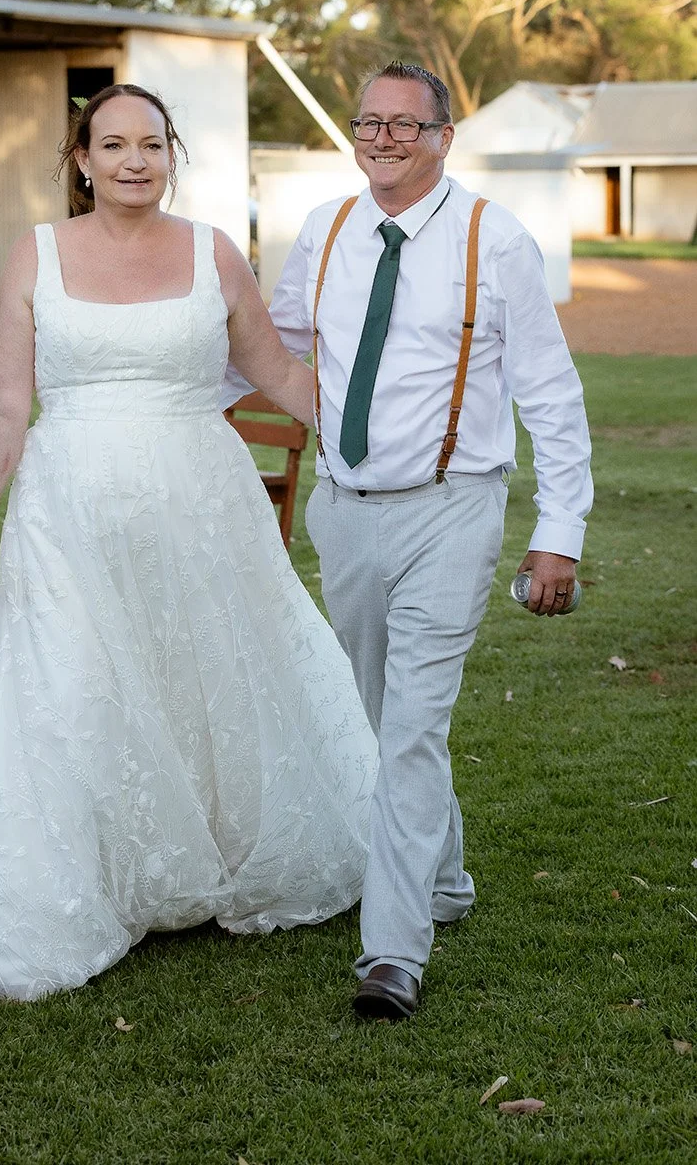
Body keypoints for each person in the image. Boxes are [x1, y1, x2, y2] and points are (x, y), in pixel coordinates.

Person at [0, 83, 377, 1001]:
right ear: (80, 162)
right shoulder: (36, 256)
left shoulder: (215, 253)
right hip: (67, 519)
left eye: (153, 144)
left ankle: (222, 857)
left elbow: (280, 372)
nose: (135, 160)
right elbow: (8, 404)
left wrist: (391, 442)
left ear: (172, 155)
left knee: (212, 676)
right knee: (73, 686)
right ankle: (79, 889)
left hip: (203, 508)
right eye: (113, 145)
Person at [227, 60, 593, 1021]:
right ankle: (446, 881)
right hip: (343, 514)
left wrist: (558, 533)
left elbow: (550, 397)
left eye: (403, 124)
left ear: (442, 136)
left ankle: (391, 952)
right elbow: (280, 344)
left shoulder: (495, 241)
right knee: (383, 715)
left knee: (414, 724)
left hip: (451, 507)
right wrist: (161, 396)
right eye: (368, 122)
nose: (382, 138)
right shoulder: (328, 229)